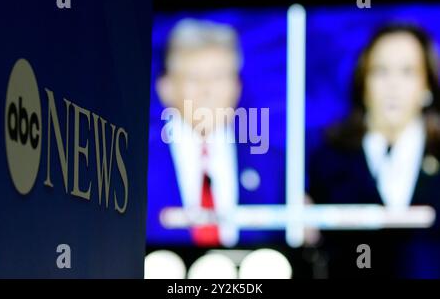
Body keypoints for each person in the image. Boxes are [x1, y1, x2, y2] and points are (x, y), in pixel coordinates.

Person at [308, 23, 440, 278]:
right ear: (363, 82)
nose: (393, 85)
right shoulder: (327, 159)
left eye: (407, 71)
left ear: (427, 86)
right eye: (380, 71)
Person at [147, 19, 285, 248]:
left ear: (237, 86)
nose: (207, 91)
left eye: (219, 76)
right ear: (165, 88)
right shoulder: (134, 161)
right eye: (194, 78)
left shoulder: (272, 164)